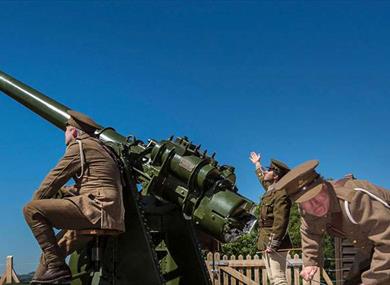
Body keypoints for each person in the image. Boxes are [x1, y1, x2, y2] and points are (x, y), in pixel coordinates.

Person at [23, 110, 125, 284]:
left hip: (96, 209)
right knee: (51, 252)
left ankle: (57, 269)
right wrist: (66, 192)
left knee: (31, 210)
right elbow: (94, 183)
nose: (65, 135)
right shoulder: (102, 149)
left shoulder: (79, 146)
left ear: (74, 132)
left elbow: (51, 181)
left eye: (66, 130)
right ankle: (42, 278)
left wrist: (37, 201)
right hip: (108, 213)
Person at [274, 160, 390, 285]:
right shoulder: (308, 212)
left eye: (317, 195)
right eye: (307, 202)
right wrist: (310, 262)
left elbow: (387, 241)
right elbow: (309, 231)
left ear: (324, 186)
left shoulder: (354, 199)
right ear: (300, 205)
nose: (315, 205)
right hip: (370, 245)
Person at [249, 152, 292, 285]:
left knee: (278, 279)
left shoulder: (281, 194)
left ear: (276, 175)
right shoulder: (271, 190)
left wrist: (273, 243)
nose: (265, 171)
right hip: (265, 240)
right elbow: (262, 177)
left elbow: (281, 221)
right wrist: (257, 164)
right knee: (273, 280)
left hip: (275, 243)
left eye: (269, 170)